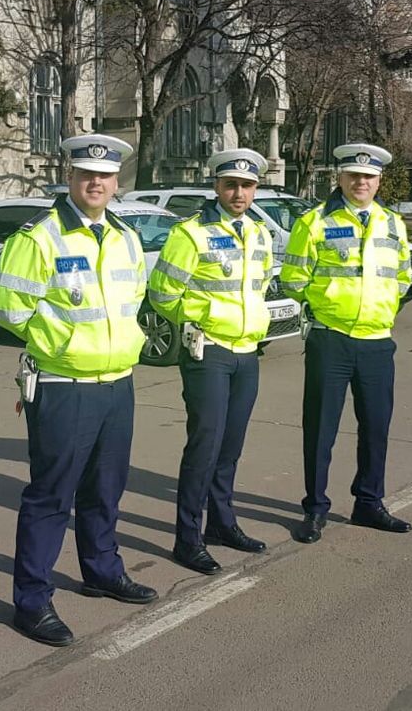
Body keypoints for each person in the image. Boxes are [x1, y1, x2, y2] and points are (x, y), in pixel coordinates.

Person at [0, 132, 157, 647]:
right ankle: (32, 602)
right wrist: (61, 343)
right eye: (87, 174)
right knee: (51, 496)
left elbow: (134, 299)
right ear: (71, 177)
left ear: (116, 182)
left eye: (105, 176)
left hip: (117, 383)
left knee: (106, 488)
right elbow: (8, 307)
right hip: (64, 385)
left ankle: (102, 570)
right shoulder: (39, 237)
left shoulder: (126, 236)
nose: (96, 183)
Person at [280, 143, 412, 544]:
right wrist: (328, 304)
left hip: (377, 341)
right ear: (339, 177)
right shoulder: (314, 222)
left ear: (379, 181)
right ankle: (315, 508)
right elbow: (293, 278)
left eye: (369, 176)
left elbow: (402, 277)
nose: (361, 182)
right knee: (320, 428)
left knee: (376, 427)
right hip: (331, 339)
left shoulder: (393, 223)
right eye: (354, 175)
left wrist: (381, 309)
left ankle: (369, 502)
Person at [147, 148, 272, 575]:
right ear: (216, 186)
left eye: (247, 186)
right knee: (205, 445)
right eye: (231, 185)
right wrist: (199, 318)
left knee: (231, 446)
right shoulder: (190, 234)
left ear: (256, 189)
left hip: (247, 351)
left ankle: (222, 523)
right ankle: (188, 538)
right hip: (209, 350)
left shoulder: (259, 233)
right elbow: (162, 294)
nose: (239, 193)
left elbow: (259, 287)